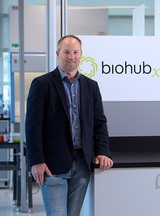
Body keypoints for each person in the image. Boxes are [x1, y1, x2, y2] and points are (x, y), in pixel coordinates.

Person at [25, 35, 113, 216]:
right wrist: (36, 161)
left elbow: (99, 123)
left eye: (75, 52)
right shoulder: (42, 84)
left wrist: (103, 151)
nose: (71, 57)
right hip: (52, 166)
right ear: (58, 54)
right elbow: (33, 125)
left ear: (81, 55)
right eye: (66, 52)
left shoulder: (91, 86)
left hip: (82, 165)